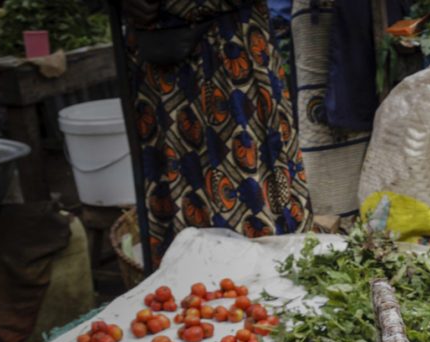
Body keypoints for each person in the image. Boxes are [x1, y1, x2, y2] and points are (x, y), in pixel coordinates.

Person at [122, 0, 313, 267]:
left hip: (232, 51)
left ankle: (268, 285)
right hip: (159, 63)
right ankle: (189, 289)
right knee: (178, 182)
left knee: (250, 183)